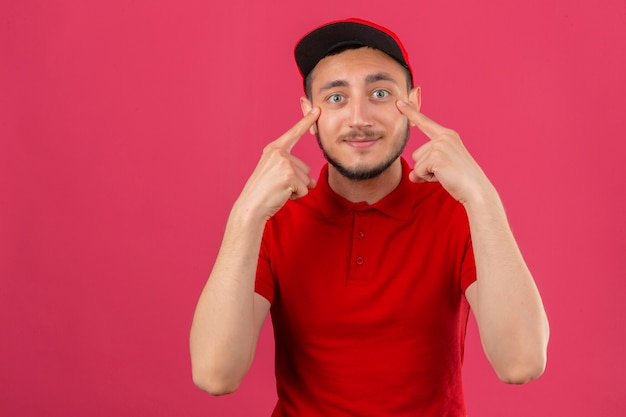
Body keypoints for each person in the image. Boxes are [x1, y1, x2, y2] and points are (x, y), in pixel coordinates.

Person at [190, 18, 549, 417]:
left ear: (414, 104)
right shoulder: (274, 217)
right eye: (337, 98)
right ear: (309, 114)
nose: (359, 118)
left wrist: (483, 198)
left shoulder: (457, 210)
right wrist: (245, 213)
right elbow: (214, 375)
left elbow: (522, 363)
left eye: (380, 93)